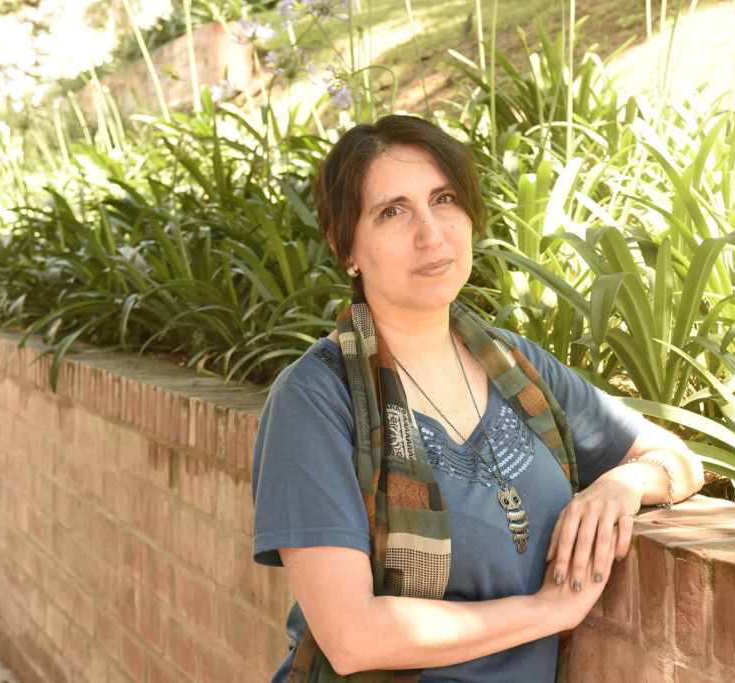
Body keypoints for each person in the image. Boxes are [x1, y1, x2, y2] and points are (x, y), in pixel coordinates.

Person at [250, 114, 705, 682]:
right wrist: (546, 610)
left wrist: (623, 484)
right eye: (391, 211)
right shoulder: (316, 399)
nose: (430, 233)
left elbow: (680, 460)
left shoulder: (515, 366)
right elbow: (352, 637)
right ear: (347, 248)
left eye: (444, 199)